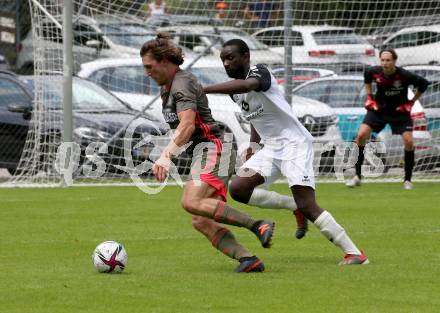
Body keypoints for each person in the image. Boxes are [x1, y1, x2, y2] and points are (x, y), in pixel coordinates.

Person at [203, 38, 369, 265]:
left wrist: (205, 89)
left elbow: (249, 85)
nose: (226, 63)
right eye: (223, 59)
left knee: (308, 204)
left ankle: (355, 253)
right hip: (271, 147)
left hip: (294, 145)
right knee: (239, 188)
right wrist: (253, 146)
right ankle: (293, 206)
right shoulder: (236, 91)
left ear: (246, 56)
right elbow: (256, 118)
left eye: (230, 58)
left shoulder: (259, 72)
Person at [140, 33, 275, 273]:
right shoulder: (168, 87)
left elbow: (188, 124)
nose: (147, 72)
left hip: (214, 148)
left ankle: (258, 225)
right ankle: (248, 259)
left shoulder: (181, 84)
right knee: (200, 218)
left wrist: (166, 155)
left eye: (149, 67)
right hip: (203, 151)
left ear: (164, 61)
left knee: (191, 201)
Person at [346, 48, 429, 190]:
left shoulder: (404, 75)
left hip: (399, 112)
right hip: (378, 110)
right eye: (382, 60)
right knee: (360, 136)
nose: (385, 63)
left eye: (388, 60)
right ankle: (357, 177)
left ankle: (407, 180)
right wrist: (370, 97)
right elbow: (367, 77)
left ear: (394, 61)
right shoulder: (374, 71)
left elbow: (424, 84)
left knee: (409, 141)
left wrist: (411, 102)